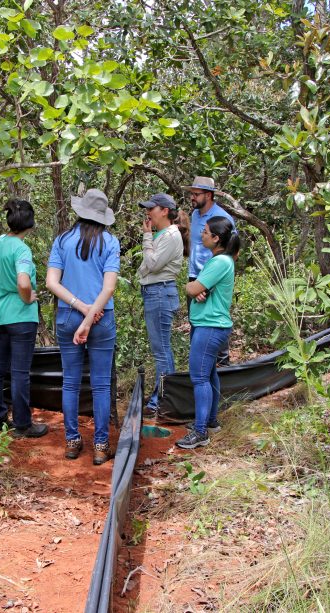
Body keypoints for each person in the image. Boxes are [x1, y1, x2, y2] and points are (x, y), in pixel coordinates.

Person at [46, 189, 120, 465]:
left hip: (69, 316)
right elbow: (109, 287)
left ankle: (72, 441)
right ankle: (101, 445)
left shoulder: (63, 241)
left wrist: (80, 309)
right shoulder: (110, 242)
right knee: (100, 385)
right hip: (101, 319)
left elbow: (52, 283)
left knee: (71, 382)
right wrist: (91, 315)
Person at [0, 199, 49, 438]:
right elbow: (23, 282)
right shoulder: (21, 249)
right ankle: (23, 425)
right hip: (20, 316)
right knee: (19, 372)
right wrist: (26, 298)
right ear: (31, 224)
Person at [176, 216, 240, 449]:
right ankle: (210, 421)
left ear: (216, 238)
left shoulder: (220, 262)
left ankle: (200, 432)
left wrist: (192, 288)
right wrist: (198, 289)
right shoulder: (221, 261)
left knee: (199, 377)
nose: (200, 235)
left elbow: (192, 286)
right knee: (209, 374)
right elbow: (199, 288)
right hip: (211, 325)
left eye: (205, 232)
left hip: (210, 326)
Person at [137, 193, 185, 417]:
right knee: (163, 349)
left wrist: (147, 237)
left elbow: (152, 264)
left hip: (159, 292)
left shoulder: (171, 235)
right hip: (156, 292)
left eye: (152, 209)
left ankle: (161, 402)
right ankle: (167, 398)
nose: (148, 214)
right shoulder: (164, 234)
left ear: (164, 211)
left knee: (161, 351)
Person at [186, 176, 234, 366]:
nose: (192, 197)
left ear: (208, 195)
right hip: (195, 276)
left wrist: (208, 287)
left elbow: (232, 250)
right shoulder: (195, 216)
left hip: (211, 281)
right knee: (196, 324)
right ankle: (201, 370)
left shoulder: (222, 218)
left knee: (213, 325)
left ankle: (223, 371)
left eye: (196, 194)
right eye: (192, 194)